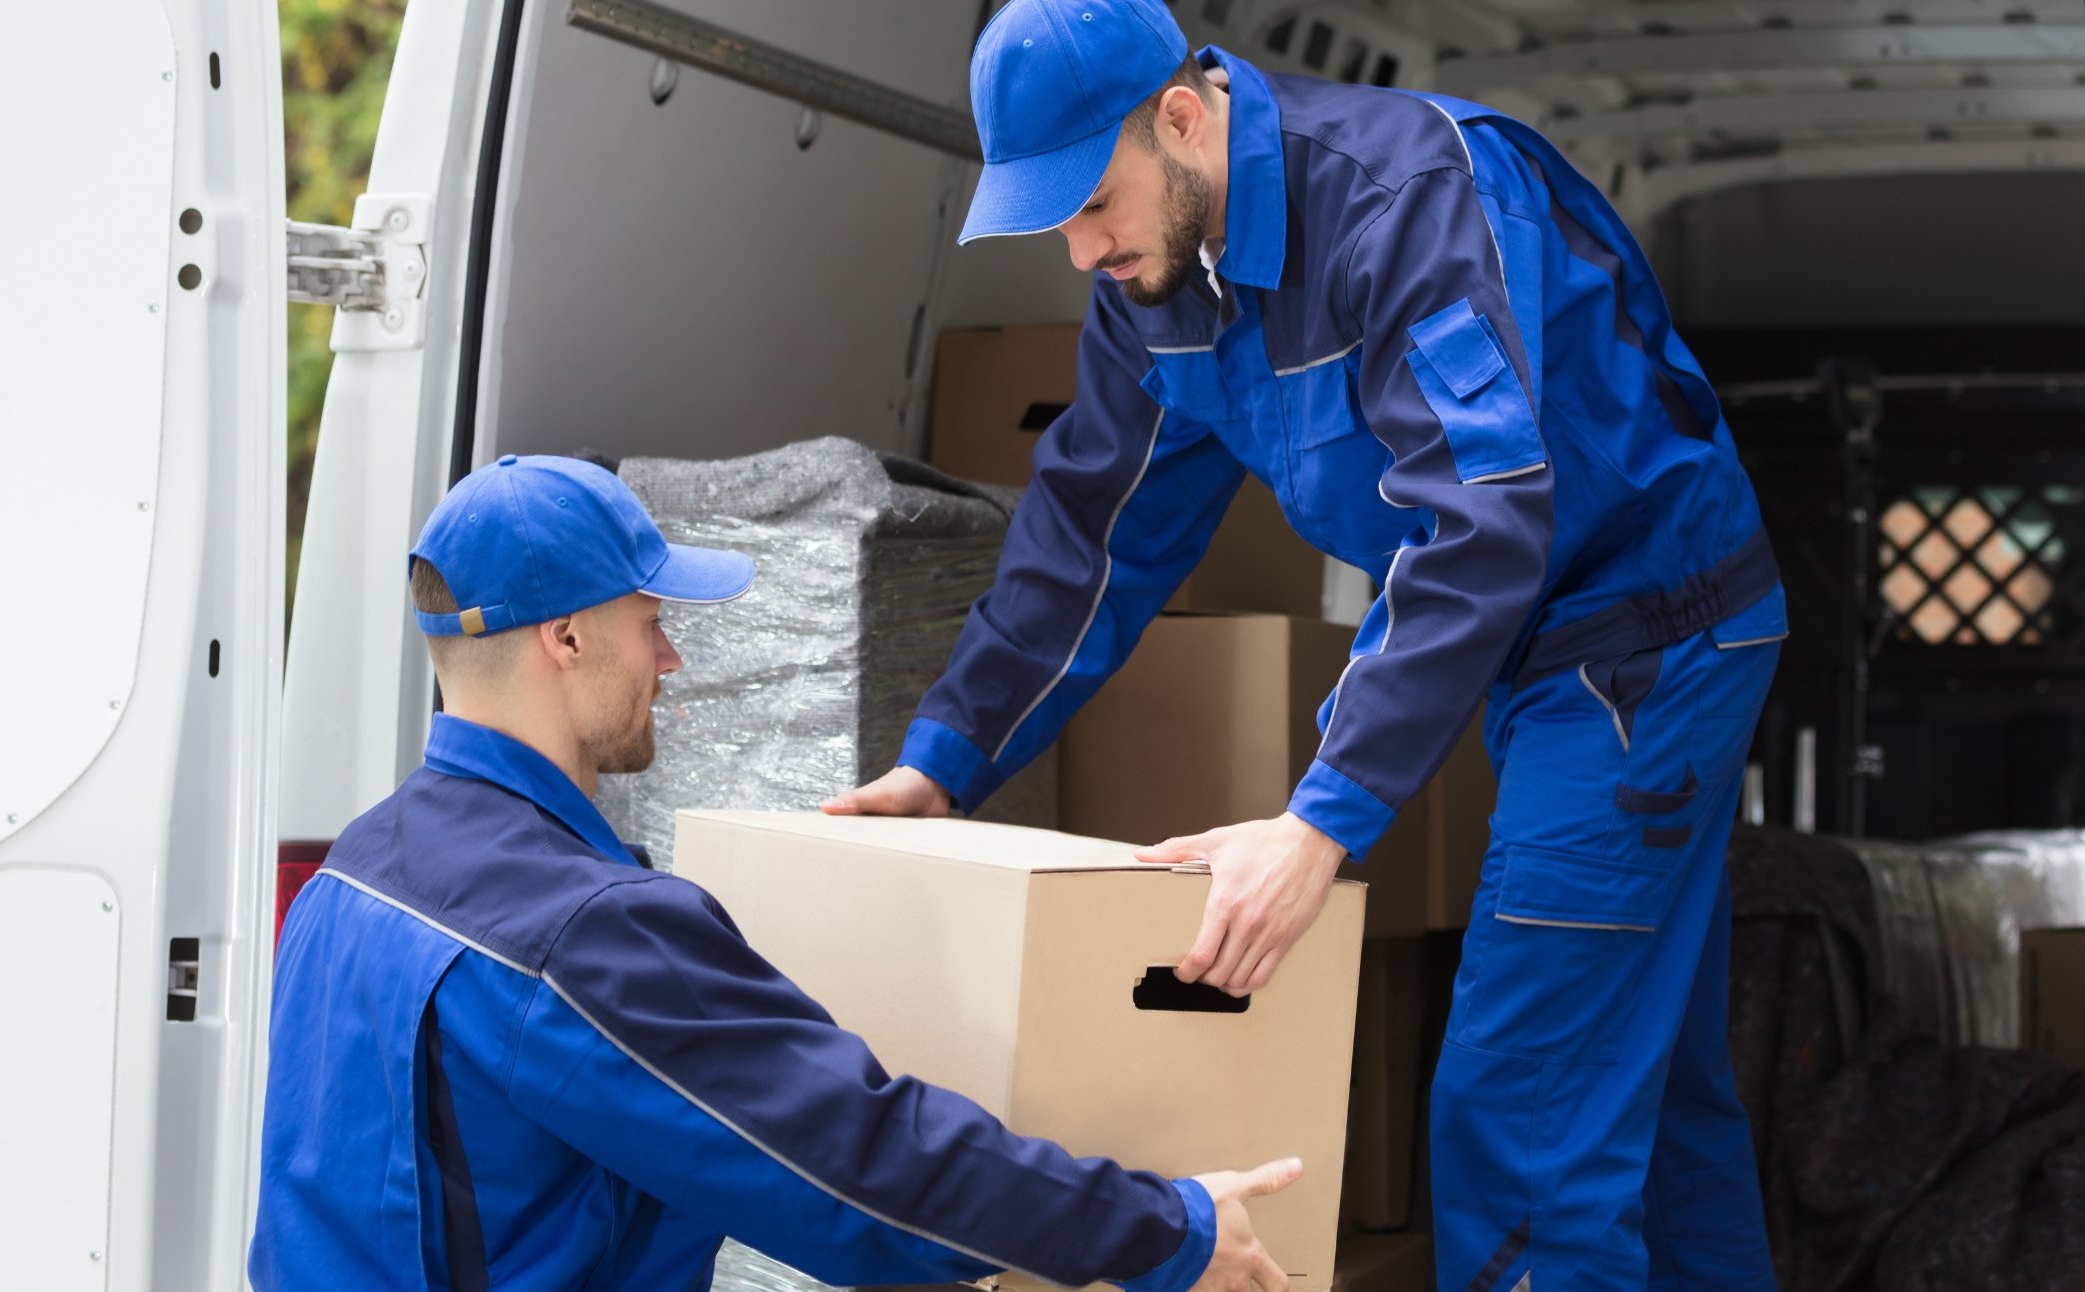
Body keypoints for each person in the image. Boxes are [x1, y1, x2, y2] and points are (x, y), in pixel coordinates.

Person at [825, 3, 1788, 1288]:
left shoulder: (1403, 205)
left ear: (1181, 116)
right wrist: (942, 760)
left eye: (1092, 201)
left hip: (1644, 645)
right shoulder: (1153, 283)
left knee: (1519, 1114)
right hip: (1544, 652)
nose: (1079, 248)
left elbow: (1479, 520)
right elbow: (1088, 542)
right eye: (1050, 217)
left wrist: (1318, 824)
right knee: (1652, 1097)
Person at [251, 453, 1298, 1291]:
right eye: (651, 623)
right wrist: (1166, 1228)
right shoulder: (581, 929)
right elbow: (858, 1169)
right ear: (566, 636)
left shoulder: (356, 866)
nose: (670, 659)